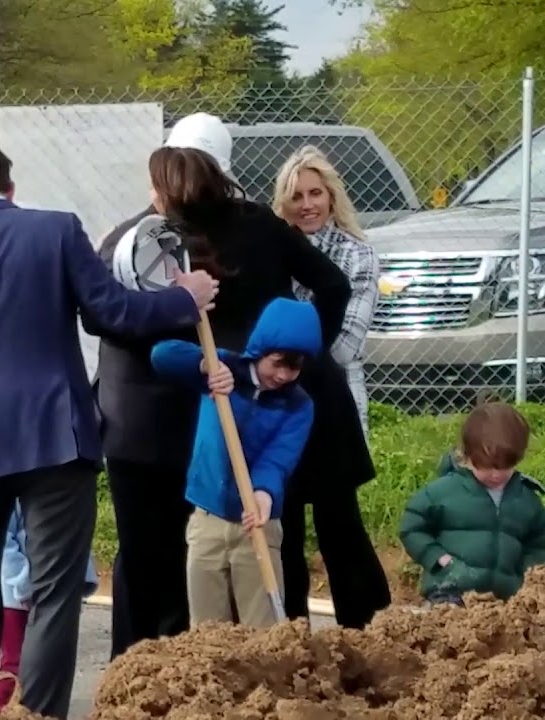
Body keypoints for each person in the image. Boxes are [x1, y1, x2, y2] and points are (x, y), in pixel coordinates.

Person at [0, 143, 219, 719]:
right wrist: (181, 298)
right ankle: (39, 714)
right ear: (11, 187)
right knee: (54, 590)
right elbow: (110, 314)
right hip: (56, 436)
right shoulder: (57, 232)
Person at [139, 145, 391, 631]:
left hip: (251, 396)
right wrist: (307, 352)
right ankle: (371, 639)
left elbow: (170, 337)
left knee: (282, 526)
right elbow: (332, 286)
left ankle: (288, 643)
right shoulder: (259, 220)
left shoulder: (179, 245)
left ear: (169, 191)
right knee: (340, 526)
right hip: (311, 389)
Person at [92, 111, 235, 657]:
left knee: (187, 550)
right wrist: (178, 304)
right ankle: (137, 668)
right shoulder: (131, 241)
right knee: (147, 549)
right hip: (145, 420)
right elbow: (104, 316)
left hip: (194, 418)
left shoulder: (228, 234)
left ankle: (174, 667)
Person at [150, 297, 320, 629]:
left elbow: (278, 460)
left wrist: (264, 495)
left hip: (256, 524)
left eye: (295, 366)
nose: (284, 375)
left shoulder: (299, 406)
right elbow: (162, 356)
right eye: (278, 362)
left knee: (263, 630)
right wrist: (205, 367)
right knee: (207, 632)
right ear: (261, 349)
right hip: (207, 518)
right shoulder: (222, 369)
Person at [273, 145, 380, 434]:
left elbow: (345, 346)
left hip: (337, 390)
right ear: (284, 203)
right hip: (275, 394)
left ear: (331, 196)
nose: (307, 205)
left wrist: (284, 362)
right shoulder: (270, 252)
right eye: (296, 196)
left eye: (315, 193)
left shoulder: (359, 255)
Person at [399, 401, 545, 606]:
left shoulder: (526, 499)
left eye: (505, 467)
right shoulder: (444, 491)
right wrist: (440, 559)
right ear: (467, 456)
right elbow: (412, 527)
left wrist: (529, 576)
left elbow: (538, 543)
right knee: (447, 628)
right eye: (486, 467)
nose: (495, 474)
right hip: (451, 590)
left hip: (505, 599)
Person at [0, 500, 98, 710]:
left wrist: (80, 579)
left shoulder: (67, 480)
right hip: (16, 598)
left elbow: (74, 532)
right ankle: (4, 710)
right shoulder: (11, 486)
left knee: (51, 661)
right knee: (14, 663)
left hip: (55, 590)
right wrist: (22, 582)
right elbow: (2, 540)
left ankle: (34, 710)